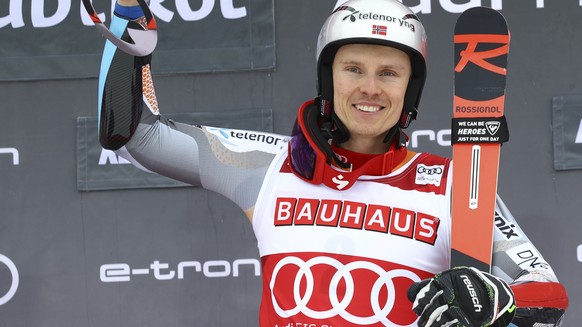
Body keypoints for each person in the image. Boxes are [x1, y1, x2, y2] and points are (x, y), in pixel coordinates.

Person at [88, 0, 569, 326]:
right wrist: (131, 45)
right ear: (328, 76)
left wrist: (500, 301)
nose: (370, 88)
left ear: (409, 90)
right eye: (353, 68)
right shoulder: (266, 164)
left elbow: (550, 294)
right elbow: (137, 134)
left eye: (389, 73)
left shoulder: (452, 185)